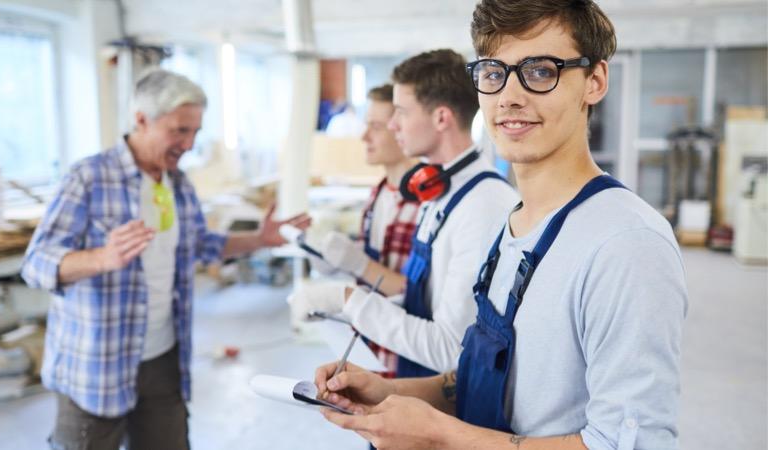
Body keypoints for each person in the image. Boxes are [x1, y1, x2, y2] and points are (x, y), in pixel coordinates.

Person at [314, 1, 688, 449]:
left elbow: (626, 444)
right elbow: (486, 377)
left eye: (541, 71)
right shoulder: (515, 222)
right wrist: (390, 391)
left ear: (595, 81)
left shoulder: (626, 244)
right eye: (494, 73)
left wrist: (439, 435)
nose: (509, 96)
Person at [21, 69, 310, 450]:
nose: (188, 144)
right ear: (141, 119)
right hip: (94, 368)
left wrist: (260, 238)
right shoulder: (88, 178)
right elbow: (36, 264)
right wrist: (100, 259)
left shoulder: (178, 183)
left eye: (194, 132)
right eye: (179, 131)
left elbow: (201, 245)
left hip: (163, 358)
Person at [290, 49, 519, 379]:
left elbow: (450, 351)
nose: (393, 124)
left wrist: (347, 299)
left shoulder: (484, 205)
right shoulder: (437, 191)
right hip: (409, 382)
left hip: (442, 400)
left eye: (400, 112)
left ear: (441, 118)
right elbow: (416, 299)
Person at [308, 84, 421, 377]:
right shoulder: (379, 193)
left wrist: (358, 264)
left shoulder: (427, 201)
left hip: (409, 360)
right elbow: (377, 267)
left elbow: (418, 294)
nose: (363, 136)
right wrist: (333, 260)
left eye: (375, 126)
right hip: (369, 348)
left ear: (401, 128)